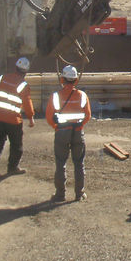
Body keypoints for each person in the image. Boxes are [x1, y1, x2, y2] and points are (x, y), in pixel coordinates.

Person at [46, 64, 92, 202]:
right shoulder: (82, 96)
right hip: (78, 132)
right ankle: (79, 194)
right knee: (79, 163)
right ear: (76, 80)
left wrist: (57, 127)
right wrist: (79, 127)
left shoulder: (55, 96)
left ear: (62, 79)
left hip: (61, 132)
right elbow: (88, 115)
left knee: (60, 163)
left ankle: (60, 194)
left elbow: (49, 116)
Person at [0, 56, 35, 175]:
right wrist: (31, 118)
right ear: (25, 71)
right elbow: (27, 103)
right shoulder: (23, 85)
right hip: (13, 120)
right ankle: (12, 167)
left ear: (16, 67)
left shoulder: (2, 78)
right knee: (16, 145)